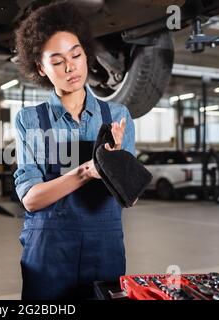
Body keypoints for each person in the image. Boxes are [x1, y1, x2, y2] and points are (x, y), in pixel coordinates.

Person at [13, 1, 136, 299]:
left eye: (76, 55)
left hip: (104, 250)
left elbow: (131, 196)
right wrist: (88, 170)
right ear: (41, 67)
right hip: (48, 254)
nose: (71, 68)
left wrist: (115, 164)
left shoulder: (118, 117)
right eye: (57, 62)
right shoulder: (30, 119)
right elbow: (31, 200)